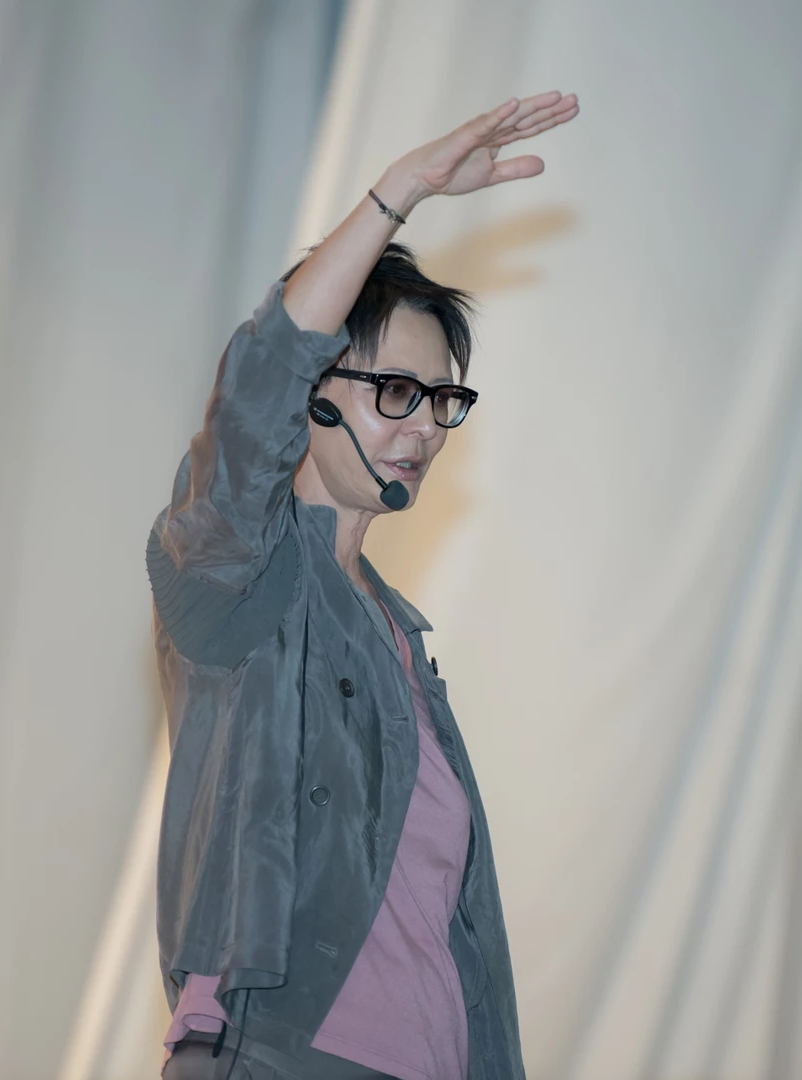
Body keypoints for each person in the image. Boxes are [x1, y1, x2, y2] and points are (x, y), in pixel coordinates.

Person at [147, 91, 579, 1080]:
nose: (424, 426)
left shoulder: (396, 635)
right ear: (311, 397)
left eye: (441, 400)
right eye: (395, 393)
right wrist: (400, 192)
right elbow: (254, 390)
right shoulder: (237, 581)